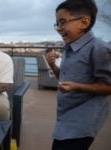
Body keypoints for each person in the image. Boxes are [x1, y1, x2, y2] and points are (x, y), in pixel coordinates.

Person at [46, 0, 111, 149]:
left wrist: (77, 87)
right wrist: (52, 65)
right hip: (65, 117)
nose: (59, 28)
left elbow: (108, 86)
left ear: (84, 22)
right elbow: (64, 80)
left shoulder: (99, 48)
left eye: (63, 22)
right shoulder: (68, 48)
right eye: (57, 23)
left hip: (83, 121)